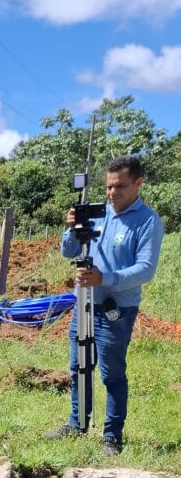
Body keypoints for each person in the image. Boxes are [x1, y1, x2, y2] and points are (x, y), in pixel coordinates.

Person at [45, 155, 164, 455]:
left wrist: (105, 278)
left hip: (116, 310)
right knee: (78, 367)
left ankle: (112, 436)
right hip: (83, 303)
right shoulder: (96, 212)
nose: (112, 193)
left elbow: (145, 269)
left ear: (138, 183)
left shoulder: (148, 221)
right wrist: (71, 227)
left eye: (120, 186)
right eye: (109, 187)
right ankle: (76, 423)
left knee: (111, 374)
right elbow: (68, 250)